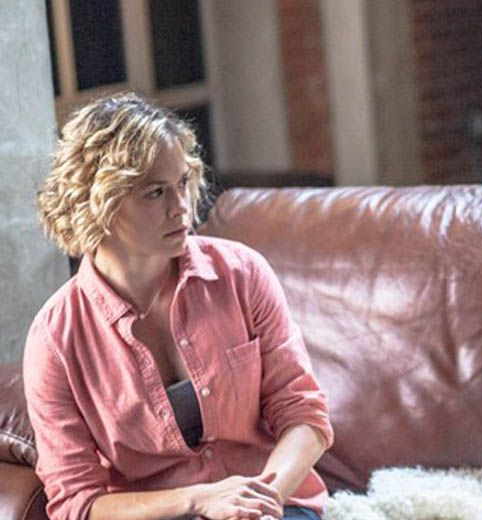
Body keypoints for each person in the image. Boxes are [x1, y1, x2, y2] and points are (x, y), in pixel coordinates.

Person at [25, 93, 334, 520]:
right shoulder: (56, 340)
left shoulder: (241, 274)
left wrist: (257, 502)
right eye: (156, 193)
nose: (181, 207)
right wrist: (197, 500)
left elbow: (304, 414)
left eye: (183, 183)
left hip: (274, 505)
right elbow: (76, 502)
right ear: (98, 204)